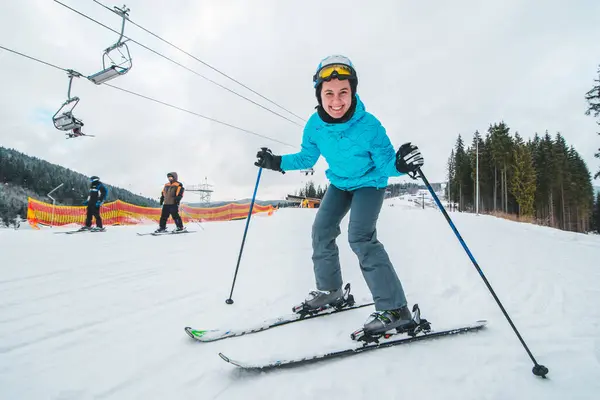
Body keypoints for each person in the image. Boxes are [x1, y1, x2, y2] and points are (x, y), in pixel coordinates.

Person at [254, 55, 424, 335]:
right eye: (329, 93)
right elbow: (307, 157)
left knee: (360, 237)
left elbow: (385, 163)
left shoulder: (370, 125)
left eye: (343, 92)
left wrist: (401, 164)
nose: (336, 101)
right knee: (321, 230)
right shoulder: (314, 126)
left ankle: (396, 309)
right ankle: (330, 291)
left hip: (370, 182)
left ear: (353, 92)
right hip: (341, 184)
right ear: (319, 94)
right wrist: (276, 162)